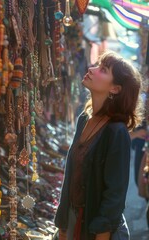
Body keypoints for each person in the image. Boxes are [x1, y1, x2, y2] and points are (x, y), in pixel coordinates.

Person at [54, 51, 144, 240]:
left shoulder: (116, 132)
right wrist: (63, 223)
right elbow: (70, 175)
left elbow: (115, 195)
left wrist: (101, 233)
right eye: (97, 65)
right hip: (74, 222)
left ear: (115, 89)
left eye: (103, 70)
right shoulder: (84, 119)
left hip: (98, 231)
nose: (91, 69)